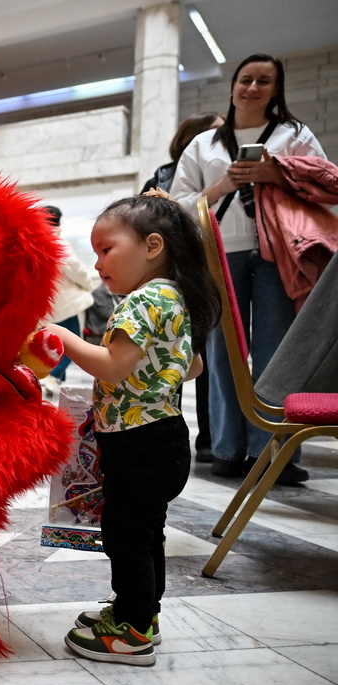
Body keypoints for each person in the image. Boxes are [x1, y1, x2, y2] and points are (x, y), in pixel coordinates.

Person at [46, 193, 221, 666]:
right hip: (164, 437)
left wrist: (62, 335)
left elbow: (111, 367)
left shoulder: (141, 303)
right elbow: (194, 367)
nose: (98, 262)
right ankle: (141, 612)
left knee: (125, 533)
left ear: (152, 246)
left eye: (106, 249)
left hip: (138, 444)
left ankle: (132, 632)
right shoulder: (174, 298)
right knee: (147, 533)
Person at [172, 53, 327, 484]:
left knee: (278, 351)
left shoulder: (295, 134)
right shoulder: (203, 144)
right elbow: (177, 202)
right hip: (221, 252)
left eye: (264, 80)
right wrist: (221, 185)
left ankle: (274, 450)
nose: (253, 88)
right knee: (224, 352)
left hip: (279, 250)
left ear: (276, 89)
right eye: (246, 79)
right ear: (233, 85)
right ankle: (226, 448)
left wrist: (276, 175)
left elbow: (325, 183)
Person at [141, 111, 224, 463]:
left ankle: (211, 438)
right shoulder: (163, 176)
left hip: (206, 273)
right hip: (182, 278)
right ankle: (167, 434)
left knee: (202, 359)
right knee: (176, 354)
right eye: (216, 133)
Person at [38, 205, 101, 398]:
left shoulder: (35, 239)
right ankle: (52, 376)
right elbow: (75, 268)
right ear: (58, 221)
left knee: (52, 343)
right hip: (65, 304)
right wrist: (89, 284)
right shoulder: (56, 240)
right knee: (73, 344)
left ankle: (53, 379)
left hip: (47, 305)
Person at [140, 111, 224, 194]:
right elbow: (200, 207)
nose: (224, 136)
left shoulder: (230, 172)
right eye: (215, 131)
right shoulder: (157, 184)